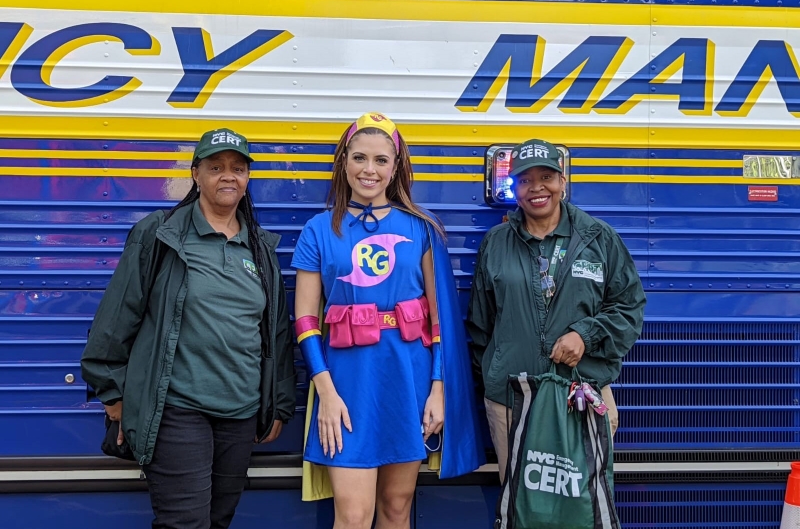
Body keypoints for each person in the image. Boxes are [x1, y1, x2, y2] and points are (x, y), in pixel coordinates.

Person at [80, 128, 296, 529]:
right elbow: (115, 317)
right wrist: (112, 393)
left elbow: (275, 333)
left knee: (217, 521)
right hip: (177, 410)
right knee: (185, 524)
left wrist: (279, 402)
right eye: (215, 167)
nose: (227, 176)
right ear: (196, 174)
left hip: (240, 412)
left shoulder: (260, 247)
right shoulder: (161, 234)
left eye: (237, 168)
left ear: (248, 178)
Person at [292, 112, 484, 529]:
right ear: (344, 161)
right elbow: (305, 320)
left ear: (396, 166)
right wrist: (325, 392)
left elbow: (440, 322)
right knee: (354, 516)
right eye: (360, 158)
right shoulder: (318, 229)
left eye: (381, 160)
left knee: (397, 511)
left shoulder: (422, 227)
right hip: (346, 386)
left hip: (408, 380)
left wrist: (439, 389)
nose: (369, 170)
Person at [467, 138, 646, 482]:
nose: (537, 188)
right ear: (514, 187)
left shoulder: (598, 238)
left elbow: (629, 307)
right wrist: (493, 375)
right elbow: (481, 323)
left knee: (580, 505)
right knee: (521, 505)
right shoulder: (497, 241)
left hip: (580, 396)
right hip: (511, 399)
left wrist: (586, 335)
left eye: (546, 177)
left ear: (562, 181)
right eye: (524, 179)